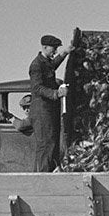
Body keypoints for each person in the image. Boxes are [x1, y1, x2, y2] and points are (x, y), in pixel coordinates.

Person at [28, 34, 71, 172]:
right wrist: (56, 93)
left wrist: (65, 53)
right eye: (54, 49)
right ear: (45, 47)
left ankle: (50, 173)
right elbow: (37, 88)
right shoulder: (36, 65)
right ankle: (42, 178)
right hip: (41, 111)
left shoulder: (45, 62)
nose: (55, 52)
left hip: (48, 110)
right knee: (45, 145)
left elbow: (52, 66)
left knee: (52, 142)